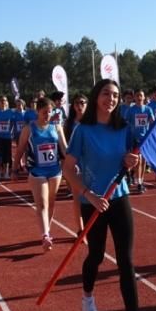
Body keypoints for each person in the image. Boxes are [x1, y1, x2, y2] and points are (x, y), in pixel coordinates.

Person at [62, 78, 156, 311]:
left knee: (126, 261)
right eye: (106, 93)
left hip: (119, 198)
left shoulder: (124, 129)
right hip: (92, 201)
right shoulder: (83, 130)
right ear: (97, 97)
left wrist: (133, 160)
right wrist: (88, 195)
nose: (111, 99)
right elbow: (68, 169)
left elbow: (133, 155)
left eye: (115, 95)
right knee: (95, 255)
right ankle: (88, 297)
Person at [15, 97, 69, 251]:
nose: (47, 115)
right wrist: (14, 168)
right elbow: (20, 149)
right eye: (44, 112)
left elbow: (64, 149)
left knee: (51, 203)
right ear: (37, 111)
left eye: (50, 112)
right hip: (37, 170)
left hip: (54, 170)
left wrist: (74, 162)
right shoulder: (29, 128)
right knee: (42, 203)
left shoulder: (56, 127)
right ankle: (45, 234)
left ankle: (47, 230)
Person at [63, 93, 89, 237]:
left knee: (92, 197)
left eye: (82, 102)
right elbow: (66, 145)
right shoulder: (70, 123)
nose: (80, 106)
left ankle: (90, 226)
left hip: (91, 164)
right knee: (77, 197)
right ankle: (80, 229)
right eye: (77, 103)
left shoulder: (92, 122)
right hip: (76, 164)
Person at [123, 89, 154, 193]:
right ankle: (138, 182)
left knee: (144, 161)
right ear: (134, 98)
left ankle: (141, 181)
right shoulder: (131, 110)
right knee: (138, 161)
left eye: (141, 96)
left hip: (145, 139)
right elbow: (126, 123)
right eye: (137, 96)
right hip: (135, 139)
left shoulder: (148, 109)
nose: (139, 98)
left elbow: (152, 122)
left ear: (144, 97)